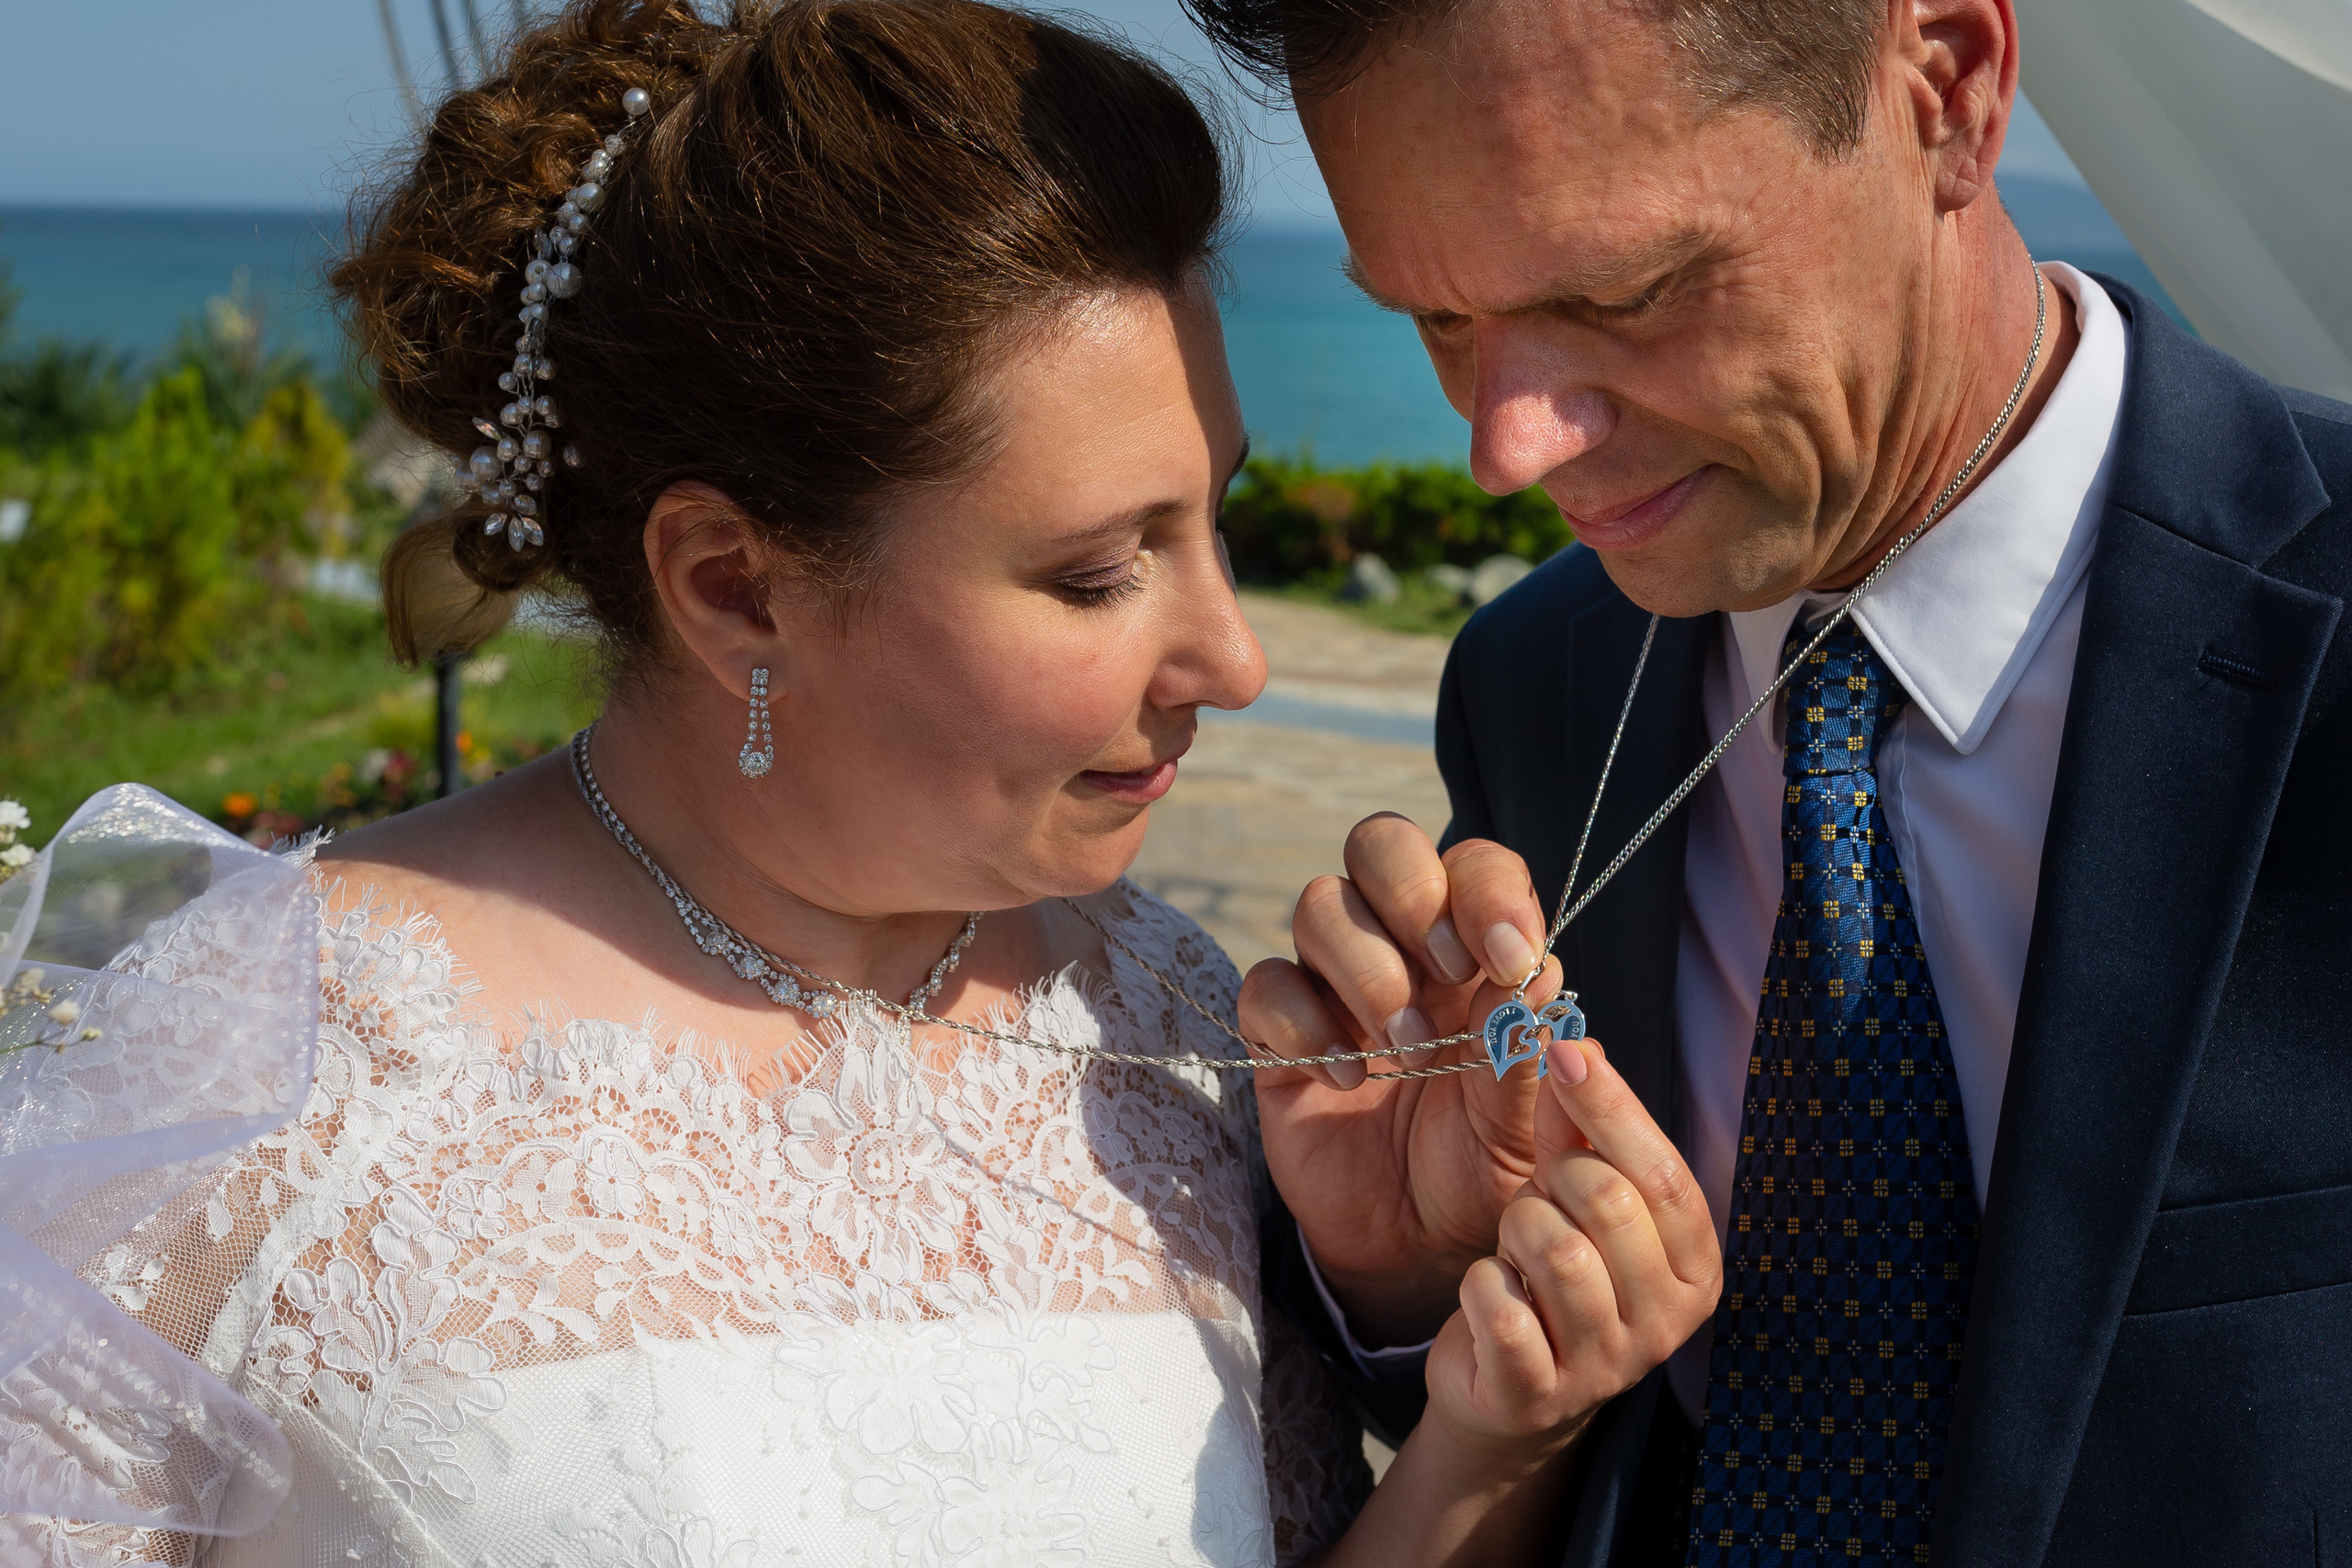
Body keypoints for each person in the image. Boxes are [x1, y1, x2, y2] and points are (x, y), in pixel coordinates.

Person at [1, 2, 1724, 1564]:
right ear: (735, 587)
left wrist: (1497, 1429)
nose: (1232, 657)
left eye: (1220, 520)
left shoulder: (1172, 1032)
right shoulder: (241, 1062)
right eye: (1098, 573)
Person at [1176, 0, 2352, 1562]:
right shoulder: (1533, 681)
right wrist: (1414, 1270)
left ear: (1949, 90)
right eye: (1437, 322)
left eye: (1623, 292)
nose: (1506, 448)